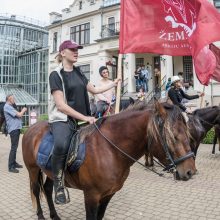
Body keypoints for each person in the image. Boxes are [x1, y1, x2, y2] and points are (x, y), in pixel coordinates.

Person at [49, 40, 120, 205]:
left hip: (84, 118)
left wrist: (113, 84)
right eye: (72, 49)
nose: (76, 51)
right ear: (63, 52)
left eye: (77, 49)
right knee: (60, 144)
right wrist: (84, 117)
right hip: (64, 119)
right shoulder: (56, 74)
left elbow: (94, 90)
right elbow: (61, 105)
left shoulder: (79, 72)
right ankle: (58, 184)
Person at [3, 94, 27, 173]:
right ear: (9, 99)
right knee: (14, 147)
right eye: (13, 99)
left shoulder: (10, 107)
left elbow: (18, 115)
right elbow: (20, 114)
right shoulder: (7, 107)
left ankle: (14, 163)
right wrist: (23, 110)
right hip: (13, 129)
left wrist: (20, 112)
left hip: (16, 128)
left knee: (15, 147)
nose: (14, 100)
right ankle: (11, 166)